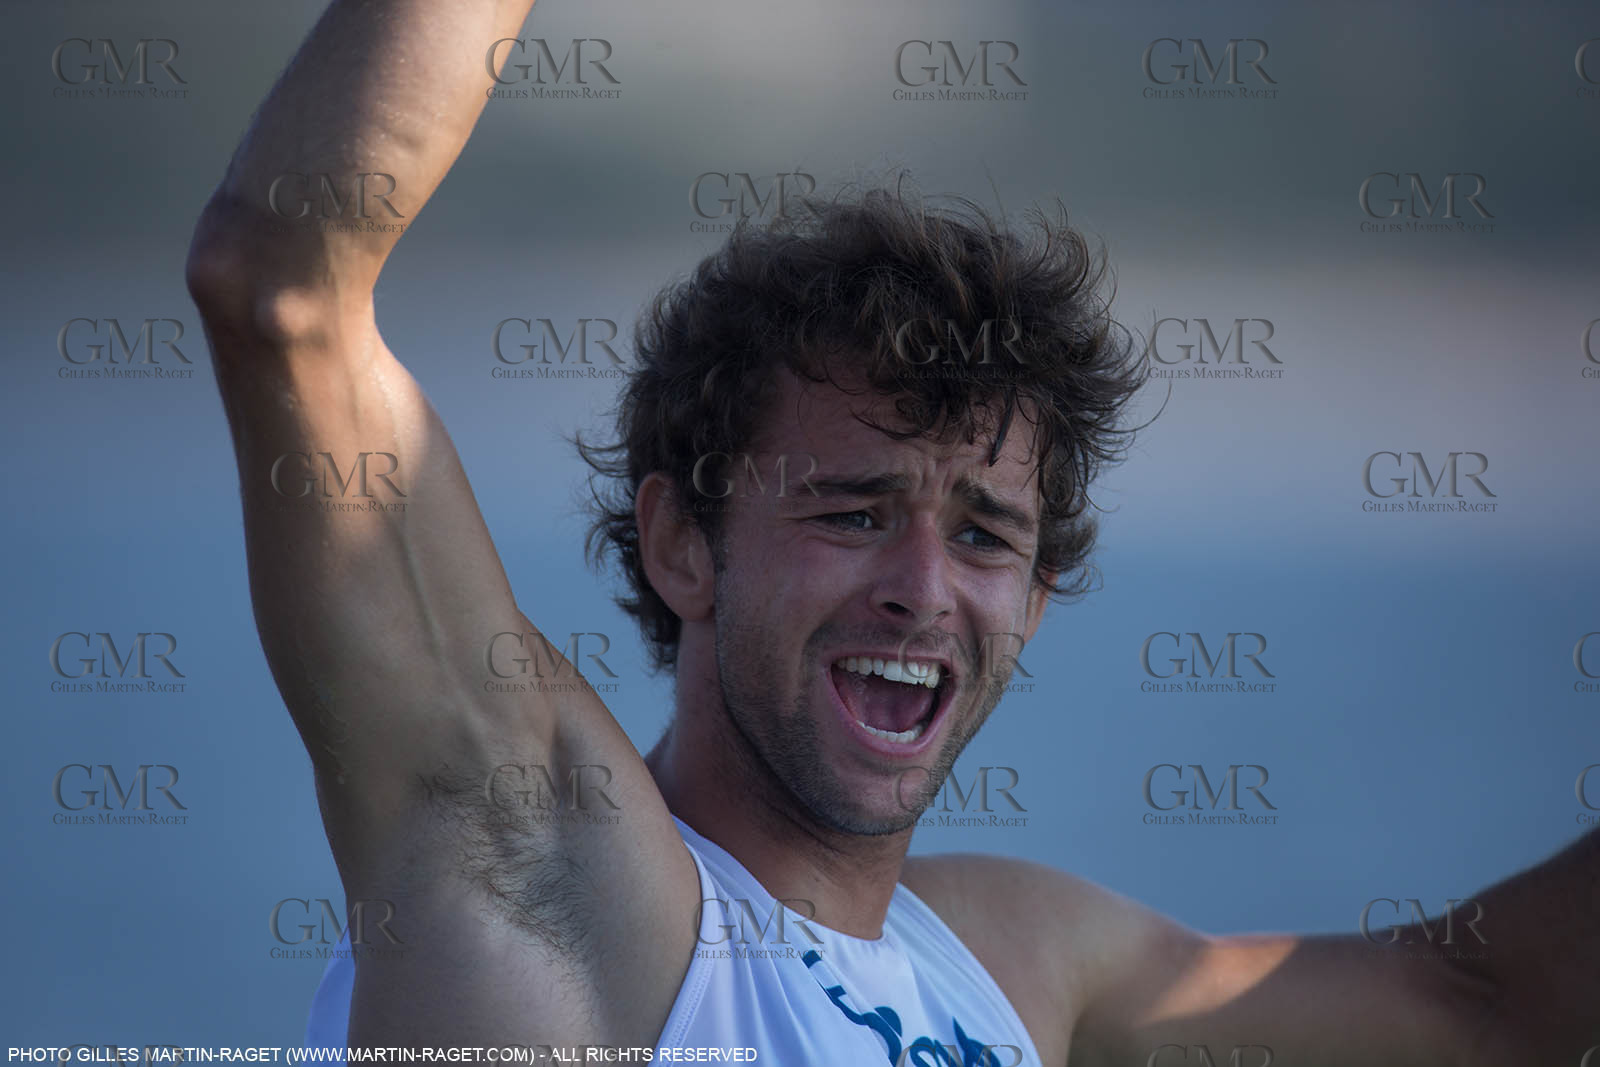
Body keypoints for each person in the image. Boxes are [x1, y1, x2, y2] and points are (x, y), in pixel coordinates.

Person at [185, 1, 1599, 1063]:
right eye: (853, 511)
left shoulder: (1024, 963)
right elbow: (281, 293)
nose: (924, 589)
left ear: (1039, 596)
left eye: (985, 536)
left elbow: (1483, 1007)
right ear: (682, 544)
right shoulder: (547, 864)